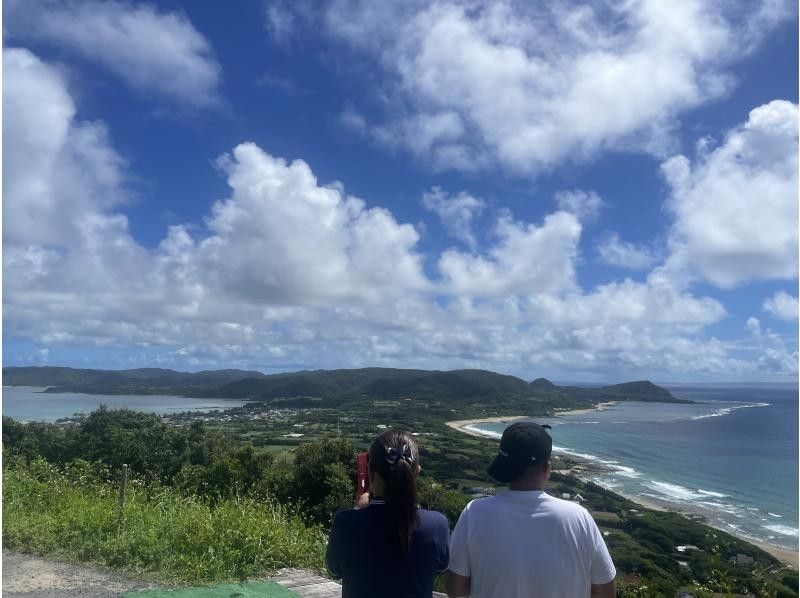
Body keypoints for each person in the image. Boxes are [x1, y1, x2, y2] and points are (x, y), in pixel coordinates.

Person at [445, 422, 616, 598]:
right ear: (547, 468)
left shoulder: (474, 513)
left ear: (504, 465)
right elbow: (606, 592)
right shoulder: (579, 517)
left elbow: (455, 589)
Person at [327, 429, 450, 598]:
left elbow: (334, 571)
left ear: (370, 472)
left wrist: (357, 511)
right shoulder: (437, 525)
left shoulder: (345, 522)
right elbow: (439, 568)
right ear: (416, 473)